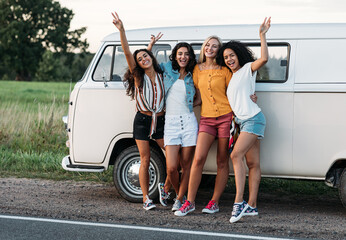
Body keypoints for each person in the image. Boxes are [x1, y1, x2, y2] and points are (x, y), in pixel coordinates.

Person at [218, 17, 271, 223]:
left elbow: (264, 59)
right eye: (226, 57)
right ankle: (252, 206)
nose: (230, 59)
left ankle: (239, 202)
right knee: (253, 164)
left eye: (232, 55)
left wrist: (262, 36)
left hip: (253, 120)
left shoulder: (248, 69)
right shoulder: (231, 78)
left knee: (235, 156)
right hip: (243, 122)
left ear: (238, 56)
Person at [112, 11, 165, 210]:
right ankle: (146, 198)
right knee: (145, 158)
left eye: (146, 56)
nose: (143, 59)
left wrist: (149, 45)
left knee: (172, 155)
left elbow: (146, 56)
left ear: (151, 56)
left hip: (160, 121)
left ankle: (166, 188)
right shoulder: (138, 76)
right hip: (142, 121)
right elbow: (128, 52)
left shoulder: (161, 75)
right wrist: (122, 30)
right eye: (140, 58)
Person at [174, 35, 233, 216]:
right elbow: (198, 97)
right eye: (208, 45)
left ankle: (214, 202)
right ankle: (190, 202)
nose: (210, 48)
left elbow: (234, 91)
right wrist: (183, 105)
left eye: (215, 46)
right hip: (207, 119)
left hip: (225, 117)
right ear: (204, 48)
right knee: (198, 159)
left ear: (218, 50)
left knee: (222, 161)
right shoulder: (197, 70)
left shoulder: (225, 70)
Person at [149, 40, 198, 212]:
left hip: (189, 122)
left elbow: (203, 94)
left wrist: (195, 103)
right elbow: (148, 65)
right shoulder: (167, 68)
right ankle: (179, 194)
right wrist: (150, 45)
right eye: (180, 54)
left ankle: (179, 200)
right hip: (171, 122)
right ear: (175, 56)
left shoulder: (194, 73)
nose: (183, 57)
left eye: (186, 54)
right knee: (171, 167)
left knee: (186, 166)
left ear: (190, 56)